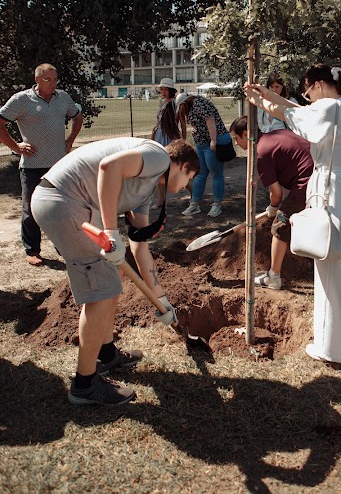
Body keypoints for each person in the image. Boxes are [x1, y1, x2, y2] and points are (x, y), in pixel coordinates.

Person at [31, 137, 199, 406]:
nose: (182, 190)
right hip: (65, 201)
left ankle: (106, 354)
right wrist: (111, 232)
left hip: (71, 204)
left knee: (111, 282)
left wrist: (162, 300)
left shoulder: (144, 191)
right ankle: (85, 384)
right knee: (101, 292)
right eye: (188, 180)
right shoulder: (158, 157)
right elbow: (108, 167)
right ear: (185, 166)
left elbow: (140, 249)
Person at [244, 64, 341, 365]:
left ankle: (333, 348)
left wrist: (260, 101)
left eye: (307, 91)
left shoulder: (328, 108)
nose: (307, 97)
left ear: (317, 85)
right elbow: (300, 111)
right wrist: (268, 96)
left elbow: (292, 116)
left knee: (331, 268)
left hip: (336, 190)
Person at [0, 63, 83, 266]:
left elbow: (77, 116)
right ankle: (32, 250)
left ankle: (63, 246)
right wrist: (16, 147)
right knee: (31, 208)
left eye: (55, 80)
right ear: (37, 79)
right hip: (32, 165)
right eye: (48, 80)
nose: (53, 84)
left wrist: (70, 139)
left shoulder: (62, 97)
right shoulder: (21, 100)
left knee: (62, 207)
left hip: (59, 165)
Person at [230, 116, 313, 290]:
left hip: (306, 182)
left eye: (236, 138)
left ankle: (273, 277)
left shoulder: (260, 152)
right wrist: (275, 203)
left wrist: (275, 208)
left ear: (246, 134)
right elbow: (275, 184)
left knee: (279, 227)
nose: (236, 143)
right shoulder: (275, 136)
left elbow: (277, 193)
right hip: (321, 176)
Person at [177, 95, 233, 218]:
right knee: (200, 174)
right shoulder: (193, 107)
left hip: (211, 143)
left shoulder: (199, 103)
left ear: (183, 104)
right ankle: (194, 204)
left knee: (216, 174)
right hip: (201, 144)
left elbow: (210, 121)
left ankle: (216, 205)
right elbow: (201, 121)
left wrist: (213, 140)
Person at [152, 77, 180, 146]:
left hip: (167, 133)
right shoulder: (163, 102)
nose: (163, 92)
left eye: (166, 89)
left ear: (171, 90)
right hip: (160, 132)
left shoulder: (171, 103)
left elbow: (171, 122)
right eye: (162, 89)